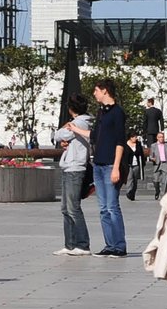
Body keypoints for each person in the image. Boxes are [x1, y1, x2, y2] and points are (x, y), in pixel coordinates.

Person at [89, 80, 132, 257]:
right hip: (98, 165)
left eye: (96, 90)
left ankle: (119, 246)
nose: (94, 94)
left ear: (105, 91)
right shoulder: (101, 113)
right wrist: (74, 129)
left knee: (112, 206)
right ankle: (109, 244)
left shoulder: (117, 113)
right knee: (103, 208)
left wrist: (116, 168)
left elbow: (120, 142)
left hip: (109, 165)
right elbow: (94, 136)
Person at [54, 95, 93, 256]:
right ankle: (70, 244)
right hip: (69, 166)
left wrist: (64, 130)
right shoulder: (78, 123)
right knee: (66, 208)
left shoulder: (80, 122)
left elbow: (58, 135)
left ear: (71, 109)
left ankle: (82, 244)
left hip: (75, 167)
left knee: (73, 207)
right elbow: (60, 136)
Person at [126, 97, 167, 200]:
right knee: (155, 145)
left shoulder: (147, 112)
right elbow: (161, 120)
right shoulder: (158, 111)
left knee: (150, 146)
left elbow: (145, 122)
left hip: (149, 130)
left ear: (149, 103)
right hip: (156, 129)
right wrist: (162, 129)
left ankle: (150, 157)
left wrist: (144, 131)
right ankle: (155, 156)